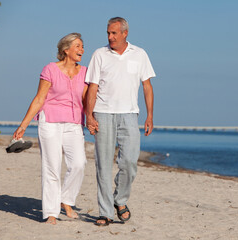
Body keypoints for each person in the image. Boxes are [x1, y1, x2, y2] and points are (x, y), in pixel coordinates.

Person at [85, 17, 156, 226]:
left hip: (129, 114)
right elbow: (92, 87)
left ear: (125, 33)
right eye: (108, 33)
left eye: (114, 33)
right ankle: (105, 212)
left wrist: (149, 115)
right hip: (103, 114)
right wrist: (89, 115)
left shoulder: (140, 54)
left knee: (129, 162)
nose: (110, 37)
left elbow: (147, 86)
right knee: (103, 165)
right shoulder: (99, 54)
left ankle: (120, 200)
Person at [13, 33, 88, 225]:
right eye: (78, 46)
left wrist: (92, 120)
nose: (82, 50)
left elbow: (87, 101)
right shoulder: (50, 70)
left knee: (79, 163)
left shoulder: (86, 72)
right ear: (66, 50)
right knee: (52, 166)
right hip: (50, 121)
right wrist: (23, 125)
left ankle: (66, 200)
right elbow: (39, 99)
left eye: (82, 46)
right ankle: (51, 212)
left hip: (74, 122)